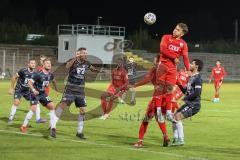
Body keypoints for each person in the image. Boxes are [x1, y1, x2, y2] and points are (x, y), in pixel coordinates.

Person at [55, 47, 102, 139]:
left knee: (83, 111)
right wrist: (74, 57)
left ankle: (79, 132)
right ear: (79, 54)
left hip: (80, 90)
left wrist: (98, 70)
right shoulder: (73, 61)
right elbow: (67, 66)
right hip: (70, 88)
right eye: (84, 53)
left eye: (86, 53)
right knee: (62, 106)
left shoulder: (86, 63)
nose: (86, 54)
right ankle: (53, 125)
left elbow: (92, 68)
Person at [133, 55, 170, 148]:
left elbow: (147, 79)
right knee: (159, 118)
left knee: (146, 120)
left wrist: (135, 85)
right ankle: (165, 135)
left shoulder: (154, 69)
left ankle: (140, 142)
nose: (153, 61)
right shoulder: (168, 69)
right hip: (166, 99)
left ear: (158, 60)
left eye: (154, 60)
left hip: (157, 98)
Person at [156, 23, 190, 122]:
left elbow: (186, 58)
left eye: (178, 30)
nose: (175, 30)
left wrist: (188, 70)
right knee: (160, 89)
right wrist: (174, 57)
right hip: (162, 66)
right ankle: (158, 113)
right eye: (175, 28)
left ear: (182, 33)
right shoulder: (166, 37)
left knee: (170, 90)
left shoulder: (183, 44)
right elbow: (163, 50)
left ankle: (168, 112)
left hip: (172, 69)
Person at [20, 58, 59, 138]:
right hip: (34, 93)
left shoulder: (50, 74)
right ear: (43, 65)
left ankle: (53, 128)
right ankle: (23, 126)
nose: (49, 64)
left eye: (50, 63)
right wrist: (33, 90)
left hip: (42, 93)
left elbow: (54, 81)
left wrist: (57, 90)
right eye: (47, 63)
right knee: (33, 109)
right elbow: (30, 83)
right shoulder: (38, 74)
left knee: (53, 107)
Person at [172, 59, 203, 145]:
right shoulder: (191, 78)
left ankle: (181, 140)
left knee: (177, 117)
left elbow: (197, 92)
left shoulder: (198, 79)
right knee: (173, 116)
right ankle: (175, 138)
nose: (189, 65)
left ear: (196, 66)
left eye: (192, 63)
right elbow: (186, 91)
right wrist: (178, 83)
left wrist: (186, 98)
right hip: (189, 103)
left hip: (194, 105)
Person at [8, 59, 46, 124]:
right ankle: (10, 118)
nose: (33, 64)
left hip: (28, 91)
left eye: (34, 63)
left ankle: (38, 119)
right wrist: (11, 88)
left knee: (36, 102)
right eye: (31, 63)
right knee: (16, 102)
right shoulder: (23, 71)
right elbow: (14, 77)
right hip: (19, 89)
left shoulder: (36, 73)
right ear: (28, 64)